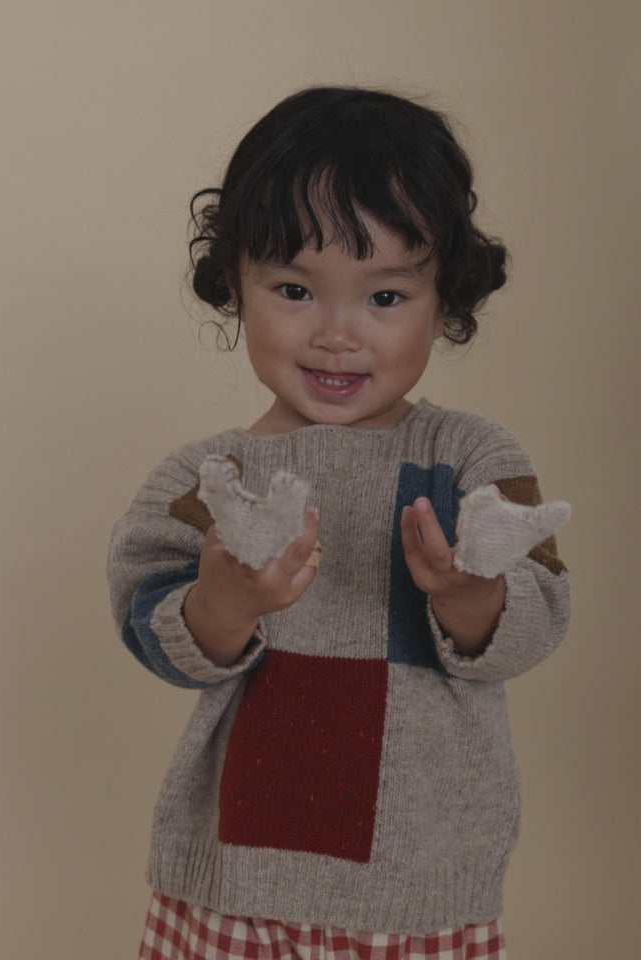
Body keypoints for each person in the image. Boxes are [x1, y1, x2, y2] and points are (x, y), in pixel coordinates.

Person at [107, 87, 570, 960]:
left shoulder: (472, 461)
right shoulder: (212, 479)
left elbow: (536, 617)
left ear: (445, 298)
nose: (336, 334)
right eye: (293, 289)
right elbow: (150, 628)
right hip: (236, 872)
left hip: (423, 880)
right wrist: (224, 598)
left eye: (385, 298)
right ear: (234, 286)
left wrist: (472, 593)